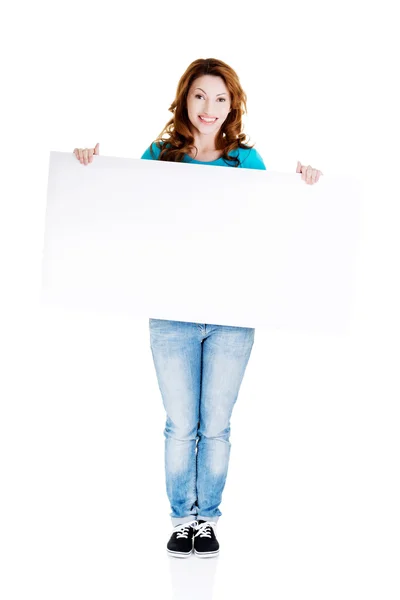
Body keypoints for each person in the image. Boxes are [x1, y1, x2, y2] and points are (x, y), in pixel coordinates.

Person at [73, 57, 322, 559]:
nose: (209, 108)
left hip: (232, 315)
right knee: (180, 424)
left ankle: (205, 520)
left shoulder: (244, 162)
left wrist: (304, 185)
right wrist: (89, 168)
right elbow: (121, 205)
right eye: (201, 96)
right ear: (185, 98)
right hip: (172, 313)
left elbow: (272, 225)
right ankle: (180, 519)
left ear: (232, 107)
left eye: (220, 99)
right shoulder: (161, 155)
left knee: (217, 425)